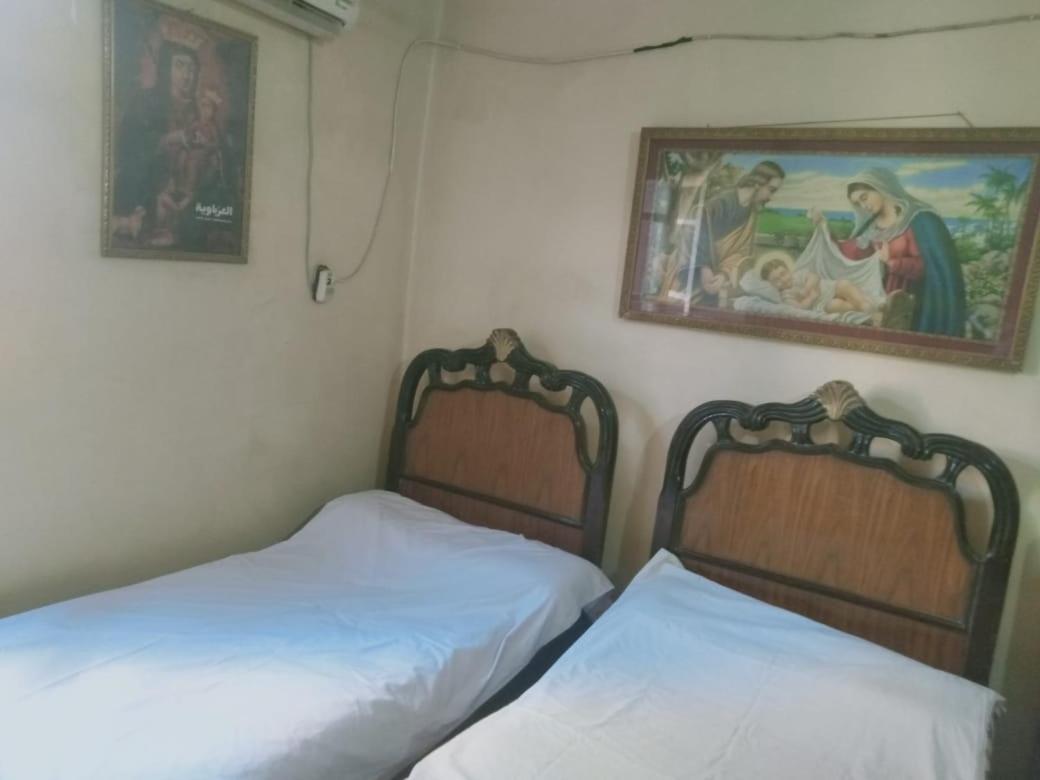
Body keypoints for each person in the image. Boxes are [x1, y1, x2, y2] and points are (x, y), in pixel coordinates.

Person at [811, 167, 966, 337]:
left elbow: (926, 266)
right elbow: (851, 253)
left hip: (910, 297)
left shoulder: (920, 220)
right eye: (858, 203)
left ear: (880, 186)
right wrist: (824, 228)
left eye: (864, 197)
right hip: (878, 294)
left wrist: (891, 263)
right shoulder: (871, 225)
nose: (863, 206)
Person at [675, 160, 786, 305]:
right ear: (758, 184)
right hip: (691, 275)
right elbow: (691, 229)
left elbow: (742, 252)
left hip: (717, 282)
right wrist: (703, 268)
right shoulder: (721, 202)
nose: (771, 197)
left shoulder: (751, 214)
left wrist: (724, 274)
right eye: (771, 190)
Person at [759, 255, 876, 316]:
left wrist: (807, 289)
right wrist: (811, 298)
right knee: (833, 305)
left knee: (844, 284)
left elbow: (814, 277)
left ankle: (863, 303)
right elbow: (799, 308)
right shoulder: (786, 296)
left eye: (783, 274)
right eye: (776, 280)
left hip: (829, 288)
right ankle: (859, 308)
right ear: (772, 285)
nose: (783, 280)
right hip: (821, 302)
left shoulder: (798, 275)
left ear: (789, 270)